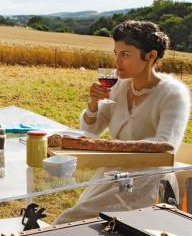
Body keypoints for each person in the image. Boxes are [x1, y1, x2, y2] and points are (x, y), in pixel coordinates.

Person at [55, 20, 191, 224]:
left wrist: (110, 149)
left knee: (74, 221)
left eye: (125, 54)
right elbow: (91, 129)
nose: (117, 62)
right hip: (113, 173)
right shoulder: (119, 86)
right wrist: (93, 103)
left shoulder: (173, 93)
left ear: (151, 56)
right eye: (116, 54)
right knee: (74, 221)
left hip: (149, 180)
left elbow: (166, 145)